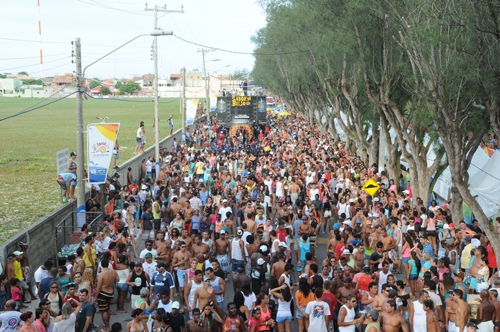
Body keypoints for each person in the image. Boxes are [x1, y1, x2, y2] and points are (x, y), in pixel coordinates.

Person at [95, 259, 119, 332]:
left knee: (103, 310)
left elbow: (98, 287)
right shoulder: (113, 271)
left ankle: (107, 326)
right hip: (111, 292)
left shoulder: (101, 274)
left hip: (103, 293)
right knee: (107, 308)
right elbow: (117, 280)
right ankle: (107, 324)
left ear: (101, 265)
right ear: (108, 264)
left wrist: (95, 297)